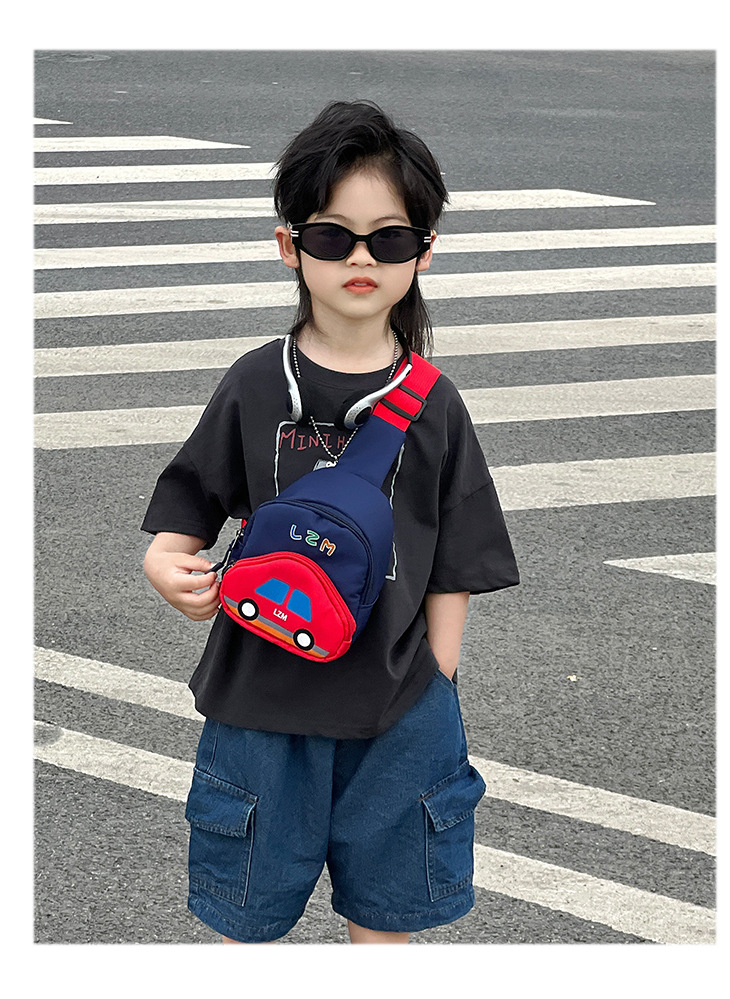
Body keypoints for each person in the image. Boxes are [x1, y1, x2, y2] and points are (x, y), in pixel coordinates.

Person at [141, 100, 519, 945]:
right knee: (244, 926)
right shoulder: (255, 382)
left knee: (384, 927)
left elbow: (455, 558)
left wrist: (438, 680)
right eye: (331, 236)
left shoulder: (435, 403)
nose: (360, 258)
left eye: (389, 239)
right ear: (290, 246)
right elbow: (186, 509)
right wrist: (167, 564)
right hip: (258, 702)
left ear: (424, 251)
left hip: (398, 711)